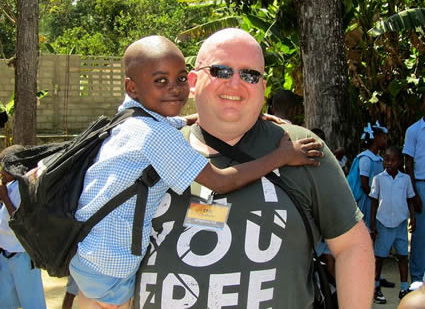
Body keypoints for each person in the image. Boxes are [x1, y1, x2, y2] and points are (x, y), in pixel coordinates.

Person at [69, 35, 323, 309]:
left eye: (179, 79)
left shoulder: (128, 120)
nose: (175, 89)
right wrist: (282, 156)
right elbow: (221, 181)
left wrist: (238, 114)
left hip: (90, 254)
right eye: (160, 81)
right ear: (132, 87)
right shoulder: (156, 137)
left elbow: (170, 122)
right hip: (111, 268)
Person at [134, 28, 374, 308]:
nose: (235, 84)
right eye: (221, 71)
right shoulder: (146, 147)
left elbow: (352, 246)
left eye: (250, 75)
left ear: (262, 87)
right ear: (193, 80)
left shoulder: (300, 147)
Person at [0, 145, 47, 309]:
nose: (1, 172)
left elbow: (22, 223)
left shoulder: (25, 188)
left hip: (23, 256)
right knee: (5, 302)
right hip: (6, 254)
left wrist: (4, 197)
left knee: (32, 302)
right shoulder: (11, 185)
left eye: (4, 168)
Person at [370, 146, 416, 304]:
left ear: (399, 162)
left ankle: (404, 288)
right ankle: (376, 288)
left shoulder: (405, 179)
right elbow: (374, 202)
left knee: (403, 256)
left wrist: (413, 218)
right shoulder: (378, 179)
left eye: (393, 160)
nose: (389, 163)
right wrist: (372, 225)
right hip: (383, 223)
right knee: (380, 257)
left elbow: (410, 199)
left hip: (401, 223)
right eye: (386, 160)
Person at [403, 95, 425, 287]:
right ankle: (417, 280)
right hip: (421, 184)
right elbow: (408, 163)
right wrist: (414, 193)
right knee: (419, 235)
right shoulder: (414, 131)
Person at [352, 121, 388, 230]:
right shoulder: (366, 158)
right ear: (376, 138)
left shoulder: (379, 159)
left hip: (375, 200)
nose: (386, 141)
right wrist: (374, 198)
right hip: (366, 201)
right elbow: (364, 184)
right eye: (384, 137)